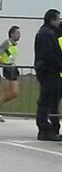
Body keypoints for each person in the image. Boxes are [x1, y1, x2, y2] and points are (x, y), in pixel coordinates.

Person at [34, 9, 62, 141]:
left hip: (49, 71)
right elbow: (49, 54)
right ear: (52, 20)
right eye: (58, 19)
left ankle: (50, 128)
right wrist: (59, 64)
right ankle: (44, 128)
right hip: (48, 71)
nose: (59, 21)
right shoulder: (46, 34)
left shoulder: (47, 33)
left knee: (50, 100)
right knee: (46, 100)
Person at [0, 26, 21, 122]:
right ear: (12, 34)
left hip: (13, 68)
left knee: (14, 93)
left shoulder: (15, 45)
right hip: (5, 69)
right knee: (5, 93)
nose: (19, 35)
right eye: (17, 33)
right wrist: (4, 64)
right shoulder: (6, 44)